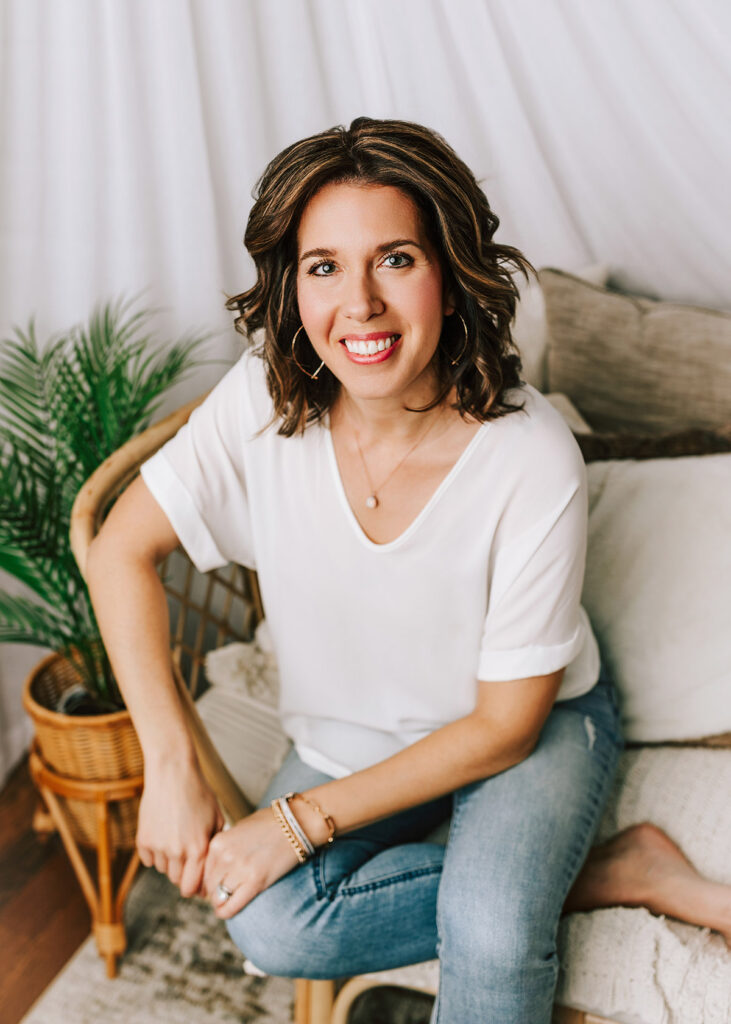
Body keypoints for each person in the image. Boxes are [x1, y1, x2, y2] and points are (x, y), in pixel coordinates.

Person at [87, 117, 731, 1023]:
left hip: (527, 728)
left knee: (494, 934)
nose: (360, 304)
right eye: (323, 267)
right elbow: (121, 545)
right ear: (291, 288)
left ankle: (517, 891)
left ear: (451, 273)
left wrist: (294, 823)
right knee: (273, 924)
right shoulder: (265, 394)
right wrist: (168, 763)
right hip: (349, 737)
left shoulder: (529, 454)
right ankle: (613, 871)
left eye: (394, 259)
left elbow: (506, 724)